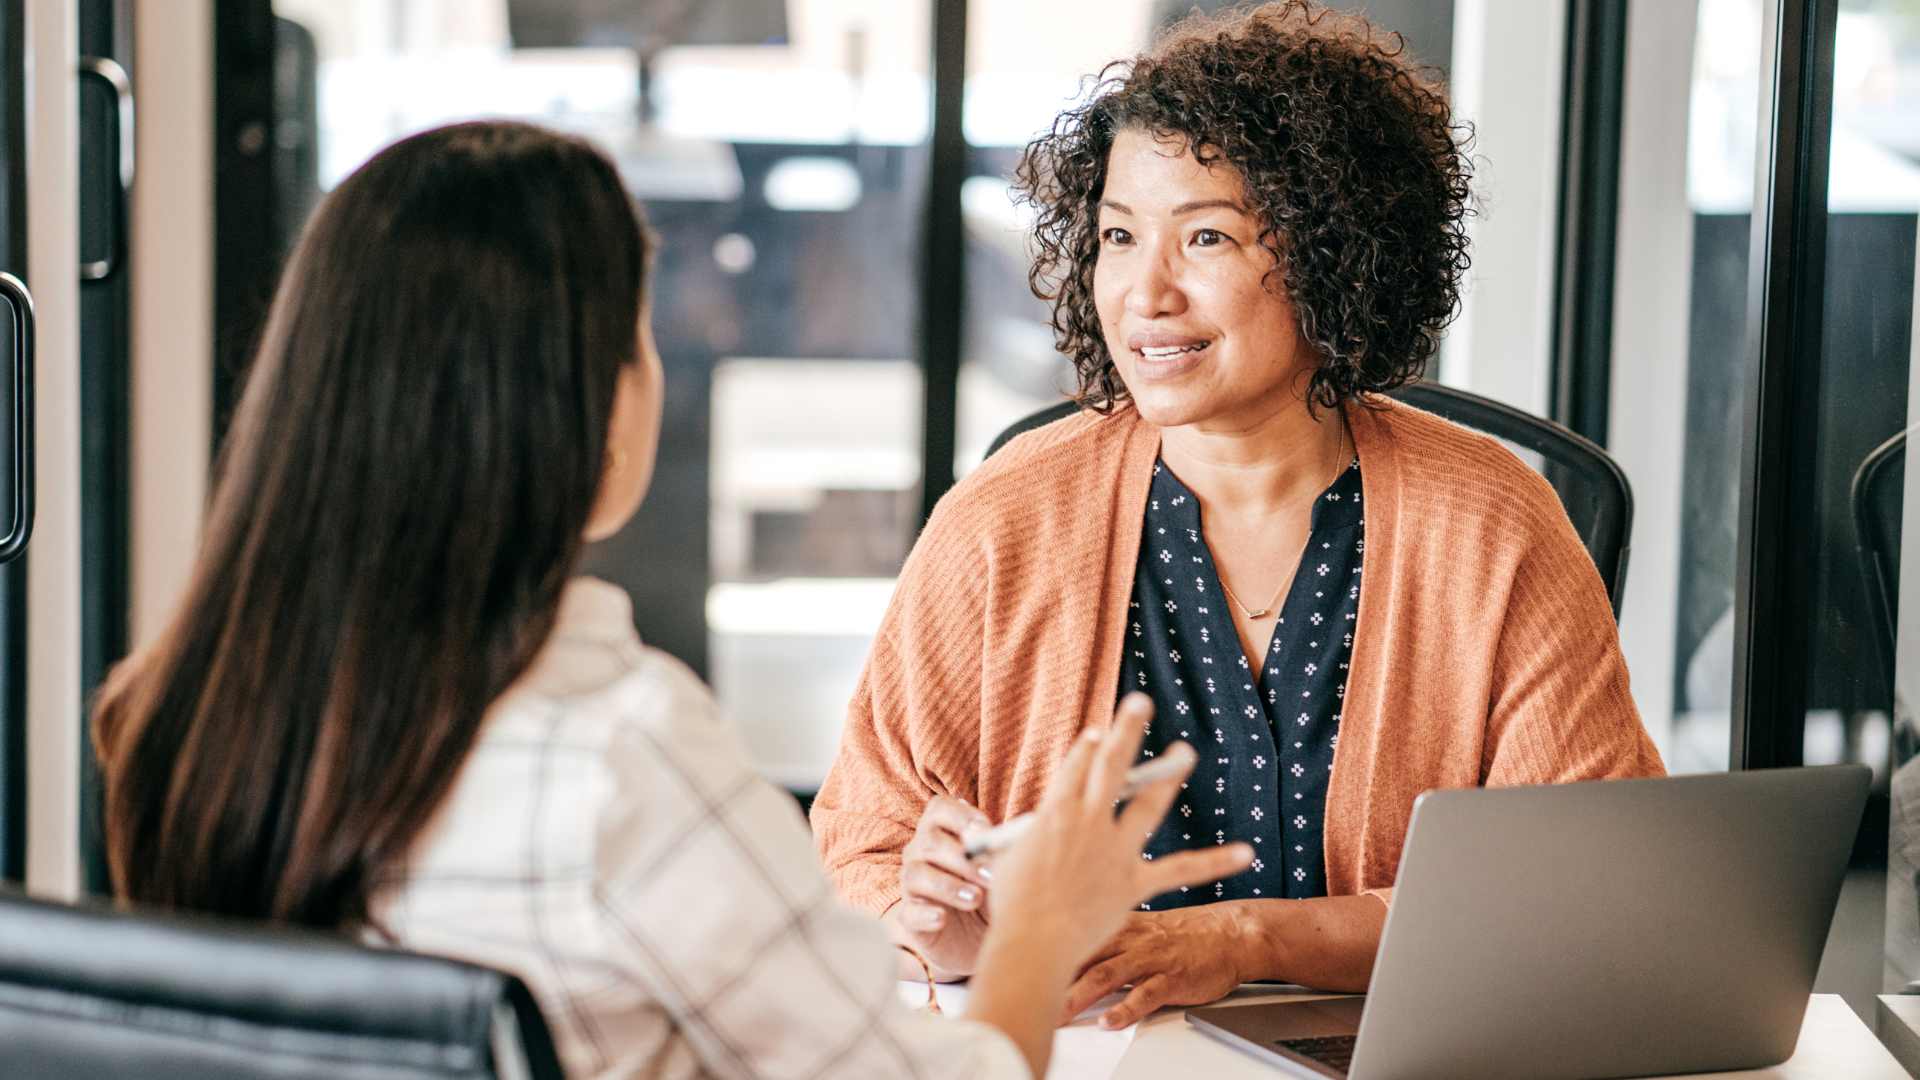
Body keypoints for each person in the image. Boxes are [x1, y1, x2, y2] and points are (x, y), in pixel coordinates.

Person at [90, 120, 1249, 1080]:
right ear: (581, 410)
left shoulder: (179, 715)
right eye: (639, 337)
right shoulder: (619, 754)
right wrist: (1042, 927)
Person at [810, 0, 1664, 1031]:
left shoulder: (1492, 522)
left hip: (1390, 1050)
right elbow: (864, 842)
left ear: (1333, 252)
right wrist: (934, 921)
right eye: (1119, 236)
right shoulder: (1002, 519)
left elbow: (1578, 890)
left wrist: (1247, 941)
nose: (1145, 292)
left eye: (1205, 235)